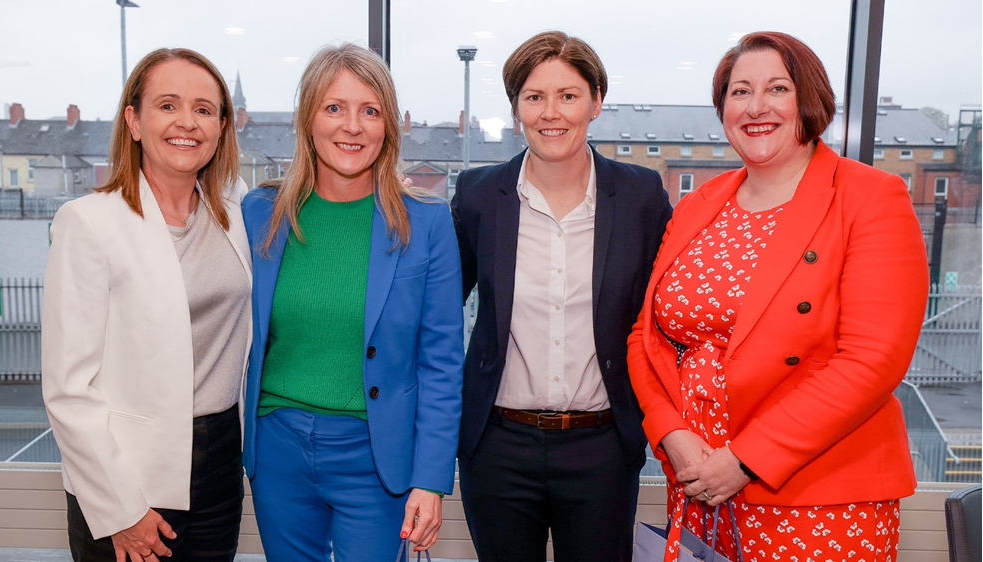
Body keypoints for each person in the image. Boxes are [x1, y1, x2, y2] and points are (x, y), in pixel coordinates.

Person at [627, 31, 929, 562]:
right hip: (699, 483)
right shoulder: (699, 205)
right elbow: (645, 337)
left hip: (819, 493)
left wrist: (745, 459)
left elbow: (872, 360)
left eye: (777, 88)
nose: (756, 107)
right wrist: (669, 431)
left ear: (808, 99)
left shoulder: (871, 197)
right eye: (739, 92)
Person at [451, 31, 672, 562]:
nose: (551, 113)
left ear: (596, 101)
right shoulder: (479, 195)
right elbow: (439, 309)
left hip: (601, 445)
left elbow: (665, 318)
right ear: (516, 107)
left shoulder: (641, 195)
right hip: (498, 446)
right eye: (534, 97)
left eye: (568, 96)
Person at [240, 43, 464, 562]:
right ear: (308, 119)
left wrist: (431, 480)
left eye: (370, 110)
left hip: (377, 456)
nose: (352, 126)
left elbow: (441, 363)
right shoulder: (262, 212)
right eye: (334, 107)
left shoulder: (425, 223)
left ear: (388, 126)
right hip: (278, 449)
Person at [42, 48, 251, 562]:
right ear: (134, 120)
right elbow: (69, 389)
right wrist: (121, 510)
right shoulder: (88, 223)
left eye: (204, 109)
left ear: (222, 127)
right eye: (168, 105)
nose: (187, 122)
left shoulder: (237, 206)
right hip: (130, 477)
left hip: (222, 458)